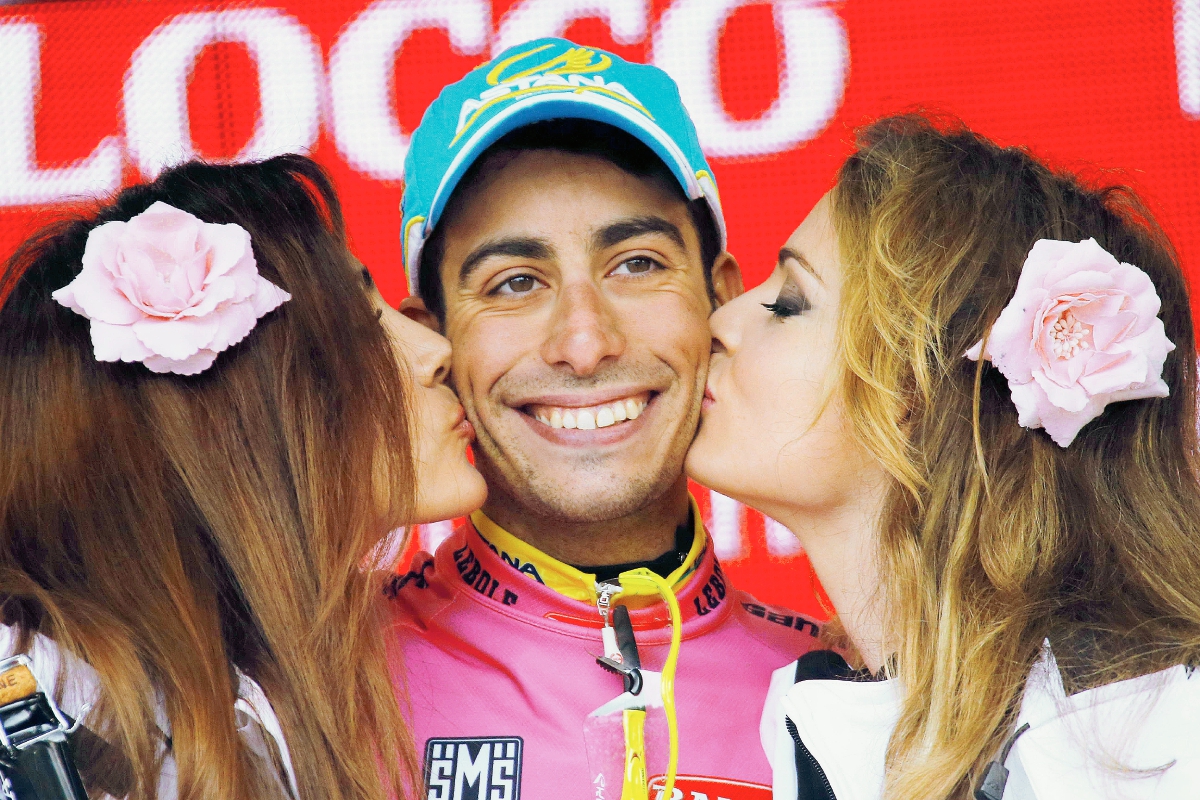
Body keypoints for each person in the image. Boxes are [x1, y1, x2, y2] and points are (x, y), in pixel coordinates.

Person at [686, 113, 1200, 800]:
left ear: (919, 397)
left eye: (787, 303)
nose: (719, 322)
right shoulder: (820, 724)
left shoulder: (1157, 737)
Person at [390, 38, 823, 797]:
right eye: (515, 282)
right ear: (433, 339)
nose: (585, 343)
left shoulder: (852, 691)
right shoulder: (309, 691)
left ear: (719, 299)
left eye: (637, 265)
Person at [0, 155, 486, 799]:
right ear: (228, 420)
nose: (435, 351)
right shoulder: (38, 730)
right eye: (366, 330)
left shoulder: (259, 693)